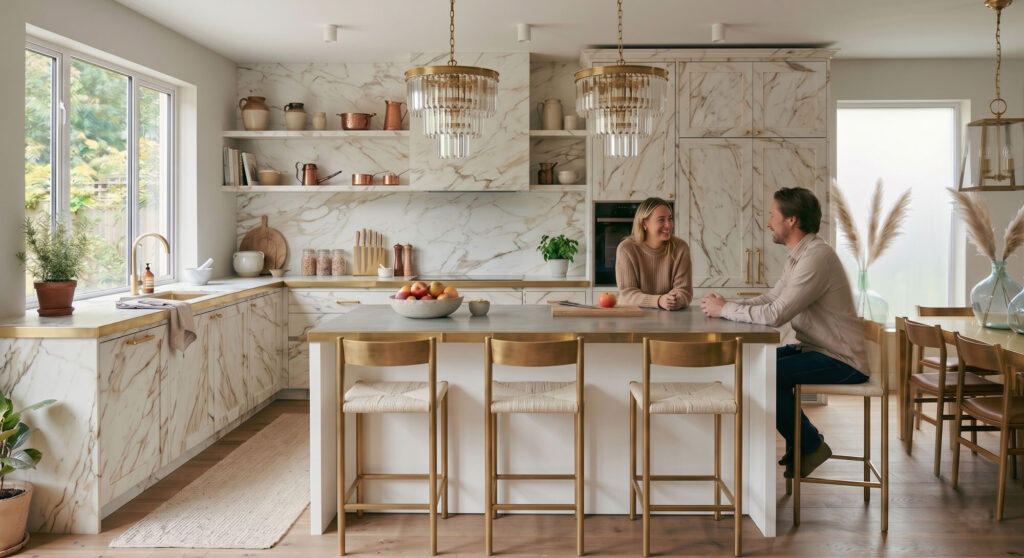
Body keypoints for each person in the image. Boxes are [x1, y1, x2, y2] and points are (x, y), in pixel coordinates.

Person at [698, 187, 869, 478]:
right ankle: (803, 445)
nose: (768, 223)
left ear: (792, 220)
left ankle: (809, 445)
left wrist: (725, 309)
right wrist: (728, 306)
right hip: (816, 350)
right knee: (752, 368)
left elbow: (776, 314)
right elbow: (770, 299)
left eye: (772, 215)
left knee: (760, 374)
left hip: (842, 360)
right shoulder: (800, 256)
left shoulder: (817, 258)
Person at [615, 197, 692, 310]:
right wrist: (659, 301)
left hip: (669, 316)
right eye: (661, 220)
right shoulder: (626, 249)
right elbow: (627, 293)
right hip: (633, 317)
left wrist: (675, 300)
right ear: (644, 224)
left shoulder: (681, 248)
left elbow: (684, 290)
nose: (668, 225)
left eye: (670, 219)